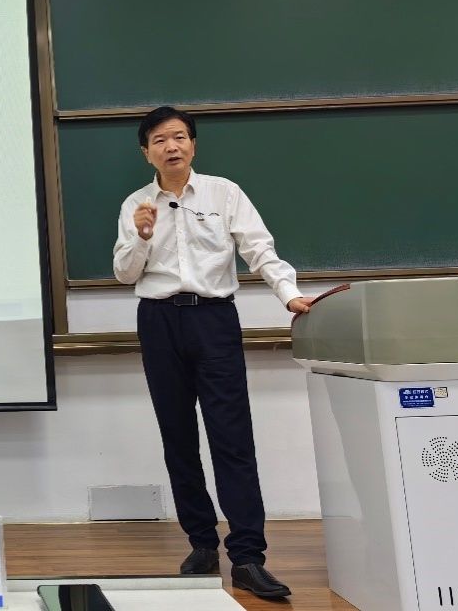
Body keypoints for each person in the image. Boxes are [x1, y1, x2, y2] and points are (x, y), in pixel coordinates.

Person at [112, 106, 313, 601]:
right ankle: (202, 544)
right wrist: (141, 237)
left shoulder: (225, 193)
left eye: (179, 137)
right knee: (178, 438)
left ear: (193, 145)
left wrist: (288, 295)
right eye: (160, 140)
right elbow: (124, 273)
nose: (172, 146)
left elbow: (260, 250)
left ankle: (247, 557)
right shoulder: (136, 204)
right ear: (146, 152)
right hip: (159, 321)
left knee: (232, 438)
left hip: (214, 319)